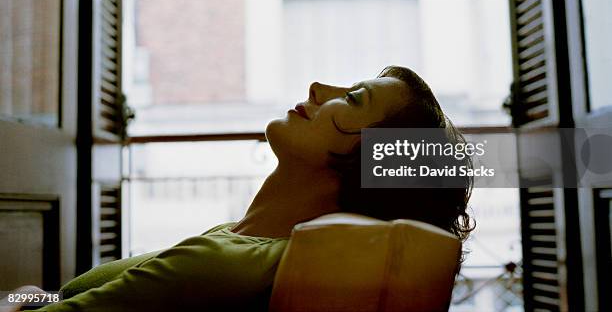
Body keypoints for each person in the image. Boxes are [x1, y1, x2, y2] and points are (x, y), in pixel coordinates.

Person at [8, 66, 473, 311]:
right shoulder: (243, 239)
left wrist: (17, 297)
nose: (317, 87)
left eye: (352, 98)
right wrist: (34, 296)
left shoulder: (225, 265)